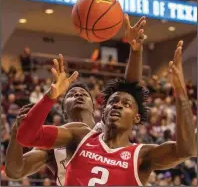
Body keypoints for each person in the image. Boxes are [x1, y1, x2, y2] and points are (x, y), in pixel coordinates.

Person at [16, 40, 197, 186]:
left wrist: (180, 92)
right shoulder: (79, 136)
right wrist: (51, 96)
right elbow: (26, 136)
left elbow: (186, 150)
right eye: (112, 102)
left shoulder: (142, 156)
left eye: (125, 104)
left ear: (137, 118)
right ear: (103, 114)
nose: (117, 105)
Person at [6, 14, 147, 185]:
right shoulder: (56, 144)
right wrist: (16, 132)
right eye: (72, 95)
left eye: (84, 94)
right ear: (64, 109)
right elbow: (15, 171)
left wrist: (135, 50)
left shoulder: (107, 129)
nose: (79, 95)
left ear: (96, 106)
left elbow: (130, 90)